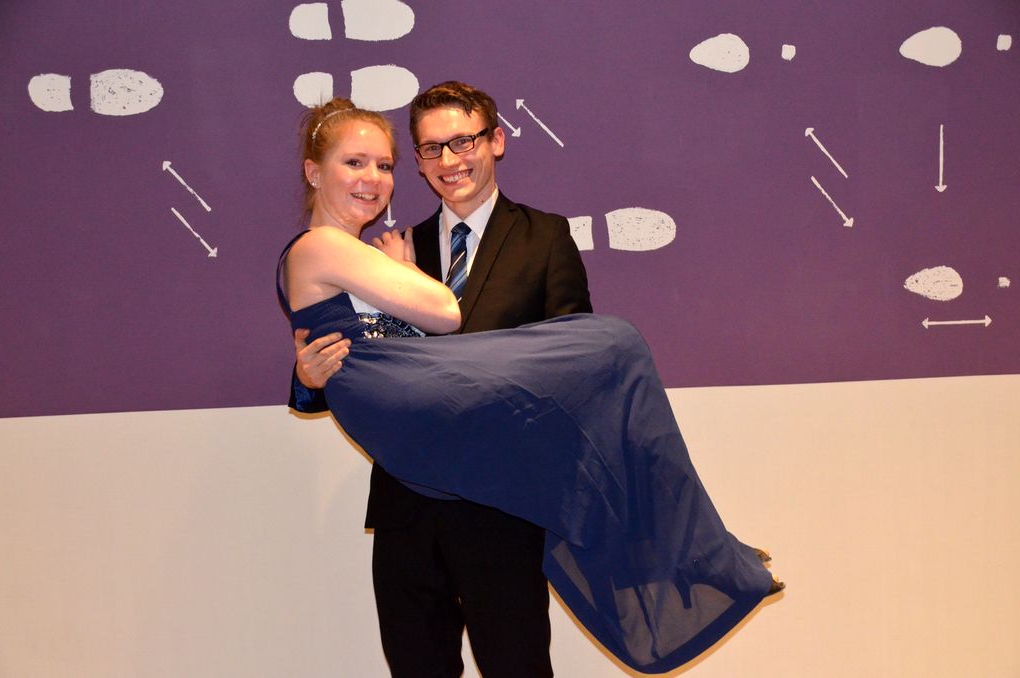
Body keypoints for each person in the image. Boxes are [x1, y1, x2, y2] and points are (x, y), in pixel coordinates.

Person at [281, 84, 782, 678]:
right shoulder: (393, 249)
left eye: (463, 141)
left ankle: (702, 553)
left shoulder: (545, 239)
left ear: (496, 140)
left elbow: (572, 368)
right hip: (407, 508)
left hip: (502, 510)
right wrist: (306, 378)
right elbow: (362, 354)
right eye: (432, 149)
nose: (449, 160)